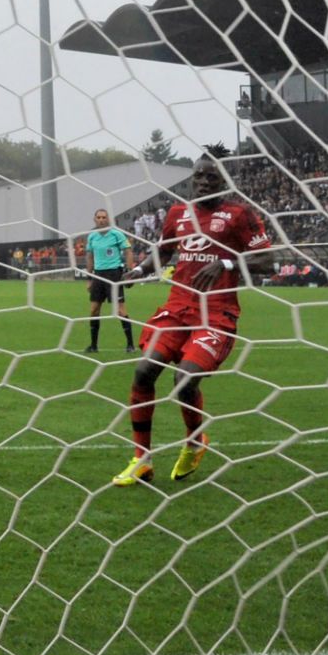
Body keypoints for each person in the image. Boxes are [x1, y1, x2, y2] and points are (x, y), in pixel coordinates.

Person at [112, 150, 273, 487]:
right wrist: (140, 270)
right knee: (144, 371)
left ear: (224, 181)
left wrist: (226, 264)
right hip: (178, 307)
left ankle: (195, 440)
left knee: (184, 379)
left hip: (216, 313)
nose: (203, 182)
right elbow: (164, 250)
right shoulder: (177, 213)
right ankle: (141, 458)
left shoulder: (240, 215)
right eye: (198, 176)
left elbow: (266, 261)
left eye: (211, 177)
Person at [83, 208, 136, 353]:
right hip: (98, 275)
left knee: (120, 310)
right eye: (98, 217)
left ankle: (130, 345)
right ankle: (93, 346)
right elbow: (89, 257)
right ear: (95, 219)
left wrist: (129, 272)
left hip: (114, 274)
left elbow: (128, 250)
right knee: (94, 310)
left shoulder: (116, 234)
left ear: (108, 219)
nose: (101, 219)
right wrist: (89, 278)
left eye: (104, 217)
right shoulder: (92, 236)